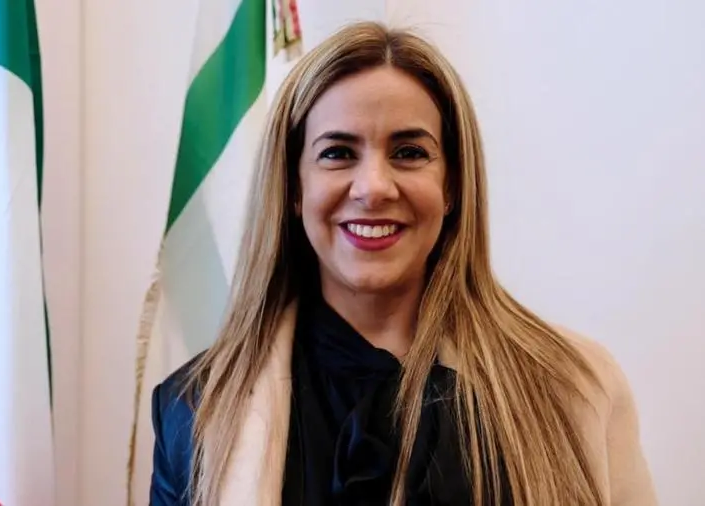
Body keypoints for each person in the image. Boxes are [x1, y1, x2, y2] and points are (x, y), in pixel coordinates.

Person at [148, 21, 657, 506]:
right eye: (337, 153)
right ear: (293, 187)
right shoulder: (195, 408)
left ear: (452, 184)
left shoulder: (576, 386)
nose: (373, 188)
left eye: (410, 151)